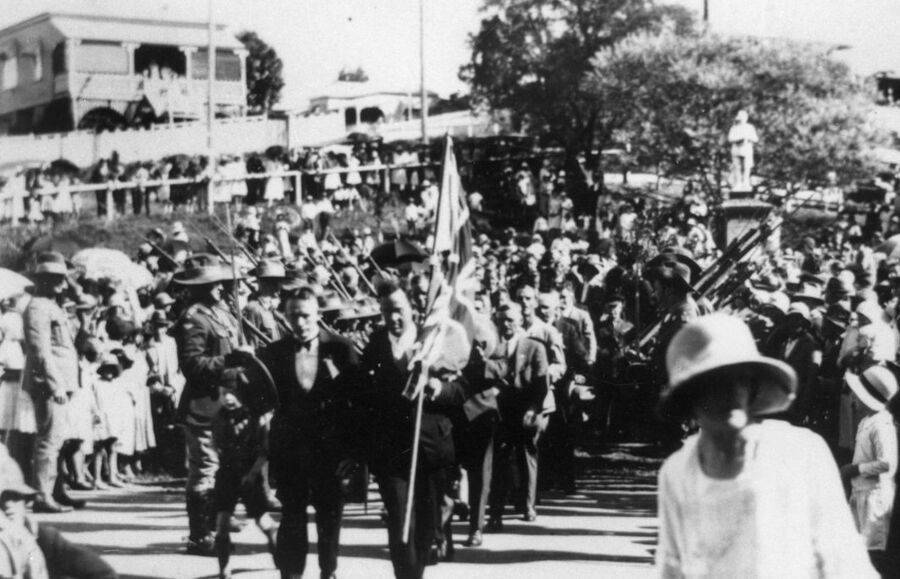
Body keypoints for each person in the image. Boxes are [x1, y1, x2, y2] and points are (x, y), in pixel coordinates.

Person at [655, 313, 877, 578]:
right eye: (711, 385)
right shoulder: (678, 472)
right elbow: (672, 566)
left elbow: (843, 557)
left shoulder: (798, 452)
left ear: (753, 386)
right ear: (689, 401)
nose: (728, 394)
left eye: (738, 379)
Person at [360, 280, 467, 579]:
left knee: (425, 527)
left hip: (430, 448)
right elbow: (364, 394)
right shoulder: (376, 343)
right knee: (399, 523)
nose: (393, 318)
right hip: (392, 452)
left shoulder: (433, 338)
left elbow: (462, 390)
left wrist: (438, 388)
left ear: (412, 309)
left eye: (398, 310)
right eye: (385, 312)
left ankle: (419, 566)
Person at [257, 285, 361, 579]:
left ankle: (328, 571)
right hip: (290, 450)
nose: (299, 323)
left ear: (317, 314)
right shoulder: (273, 352)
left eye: (304, 315)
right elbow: (262, 399)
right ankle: (291, 574)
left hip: (330, 451)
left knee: (329, 516)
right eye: (292, 316)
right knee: (292, 516)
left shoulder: (341, 348)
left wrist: (352, 452)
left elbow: (357, 404)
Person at [172, 256, 248, 556]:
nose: (220, 287)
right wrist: (231, 361)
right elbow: (192, 365)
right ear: (199, 287)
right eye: (213, 283)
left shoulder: (222, 314)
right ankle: (200, 535)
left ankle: (217, 522)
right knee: (204, 470)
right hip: (203, 405)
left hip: (228, 404)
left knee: (226, 469)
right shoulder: (193, 319)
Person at [21, 252, 85, 513]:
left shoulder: (52, 304)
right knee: (49, 440)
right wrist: (54, 384)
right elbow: (40, 351)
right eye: (56, 278)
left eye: (63, 278)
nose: (63, 283)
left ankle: (57, 490)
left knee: (59, 439)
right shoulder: (37, 307)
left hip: (63, 382)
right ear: (43, 280)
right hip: (49, 383)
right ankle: (42, 495)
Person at [0, 445, 117, 579]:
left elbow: (102, 572)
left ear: (25, 500)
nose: (8, 505)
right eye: (1, 498)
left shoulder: (42, 537)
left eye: (16, 497)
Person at [487, 302, 549, 531]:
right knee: (500, 462)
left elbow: (542, 383)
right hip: (502, 410)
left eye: (511, 320)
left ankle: (527, 504)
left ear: (520, 321)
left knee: (526, 457)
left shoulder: (534, 347)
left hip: (527, 408)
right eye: (502, 320)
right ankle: (495, 512)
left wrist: (534, 409)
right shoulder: (493, 348)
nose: (506, 325)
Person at [210, 371, 277, 579]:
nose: (228, 398)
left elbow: (265, 451)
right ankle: (224, 569)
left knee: (263, 521)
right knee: (221, 525)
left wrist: (252, 474)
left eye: (233, 393)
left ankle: (277, 548)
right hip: (227, 474)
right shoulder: (218, 418)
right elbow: (216, 446)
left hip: (250, 474)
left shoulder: (255, 418)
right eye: (223, 393)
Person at [842, 365, 898, 573]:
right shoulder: (867, 421)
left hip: (875, 498)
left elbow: (887, 463)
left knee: (872, 551)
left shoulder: (882, 425)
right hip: (860, 492)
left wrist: (856, 469)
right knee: (856, 546)